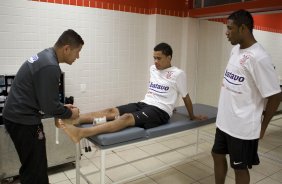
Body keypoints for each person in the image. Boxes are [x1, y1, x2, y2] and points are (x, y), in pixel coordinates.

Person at [57, 42, 207, 143]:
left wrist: (192, 116)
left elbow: (185, 96)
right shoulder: (153, 68)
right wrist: (170, 102)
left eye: (159, 58)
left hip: (160, 112)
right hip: (144, 103)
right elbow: (160, 90)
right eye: (154, 57)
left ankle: (81, 133)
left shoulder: (178, 74)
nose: (155, 61)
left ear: (169, 57)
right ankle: (74, 120)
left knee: (126, 117)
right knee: (111, 110)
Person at [3, 29, 84, 184]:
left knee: (31, 165)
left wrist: (60, 106)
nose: (78, 56)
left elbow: (44, 97)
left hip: (15, 115)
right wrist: (69, 113)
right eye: (77, 51)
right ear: (66, 49)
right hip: (23, 120)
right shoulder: (51, 66)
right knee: (36, 169)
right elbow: (49, 107)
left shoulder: (46, 56)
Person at [211, 10, 281, 184]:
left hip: (242, 127)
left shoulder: (259, 57)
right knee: (217, 154)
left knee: (239, 168)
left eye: (230, 28)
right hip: (225, 121)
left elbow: (275, 95)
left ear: (243, 28)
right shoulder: (235, 50)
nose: (226, 32)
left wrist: (263, 126)